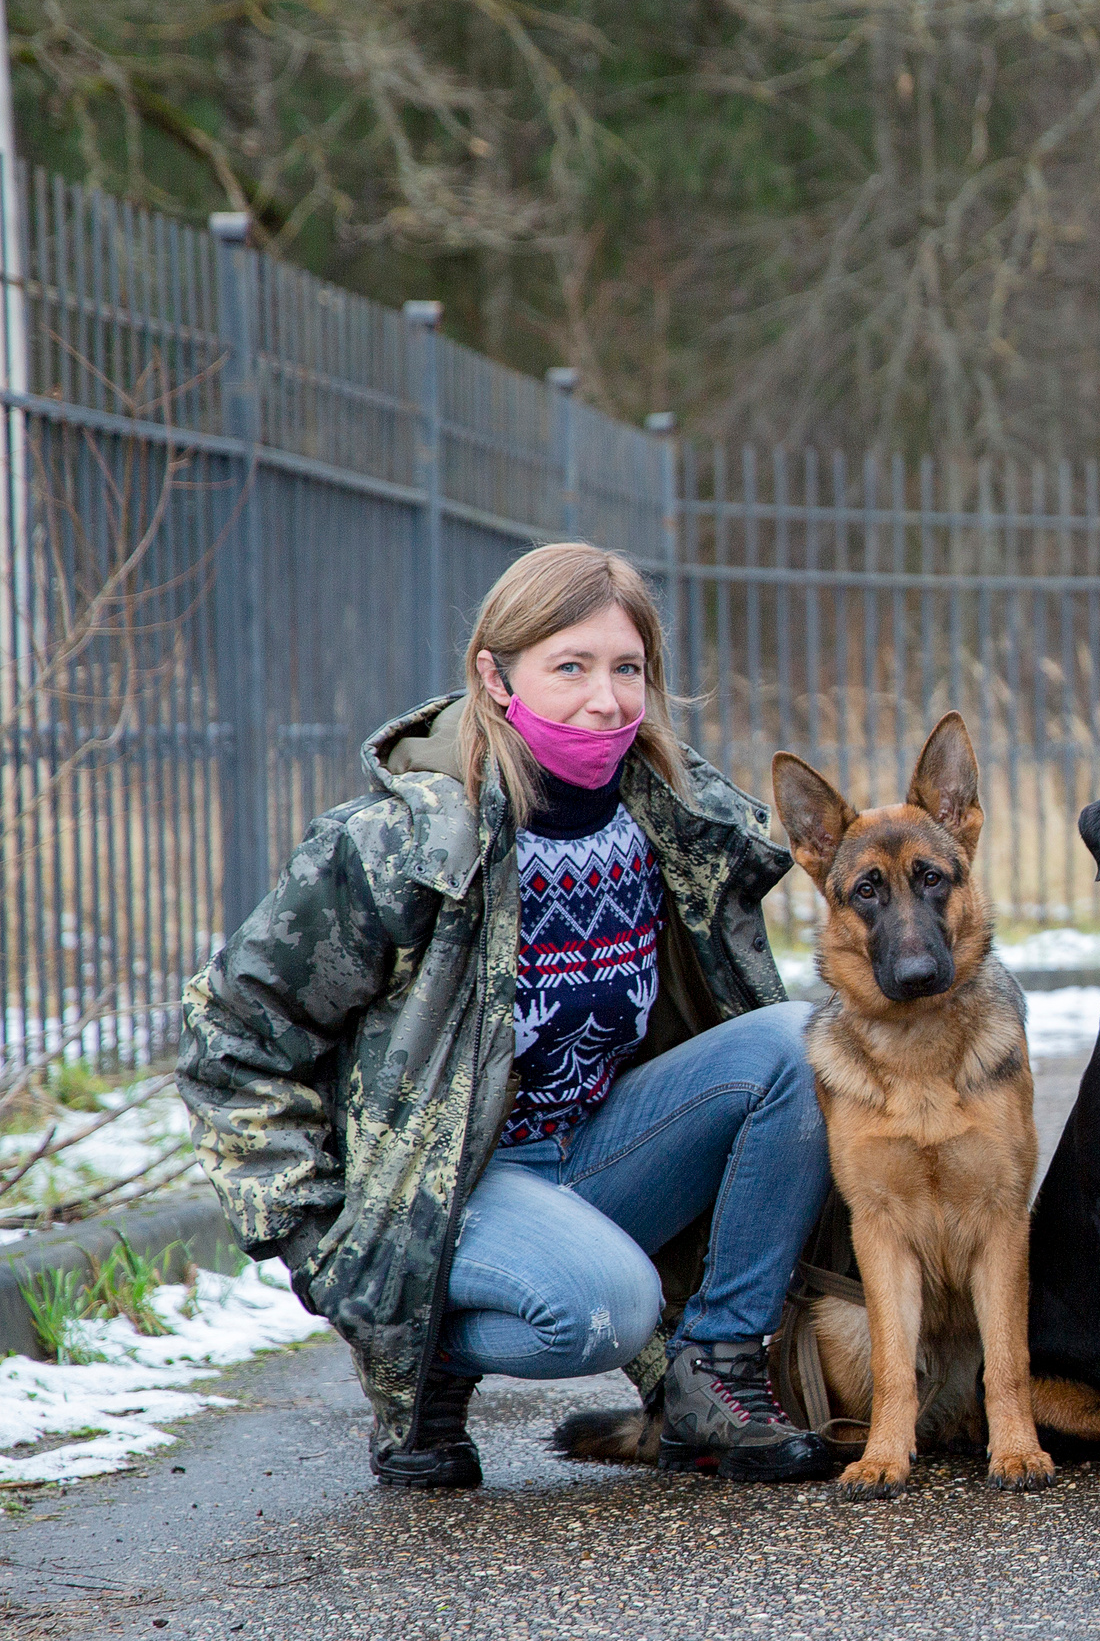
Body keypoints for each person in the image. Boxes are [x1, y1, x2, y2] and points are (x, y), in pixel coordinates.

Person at [177, 544, 836, 1489]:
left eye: (627, 669)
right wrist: (318, 1238)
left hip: (594, 1152)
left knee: (801, 1043)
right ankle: (423, 1360)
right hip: (446, 1188)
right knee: (607, 1304)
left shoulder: (672, 824)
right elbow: (230, 1032)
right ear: (495, 674)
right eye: (570, 666)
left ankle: (714, 1373)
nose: (605, 700)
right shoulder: (399, 843)